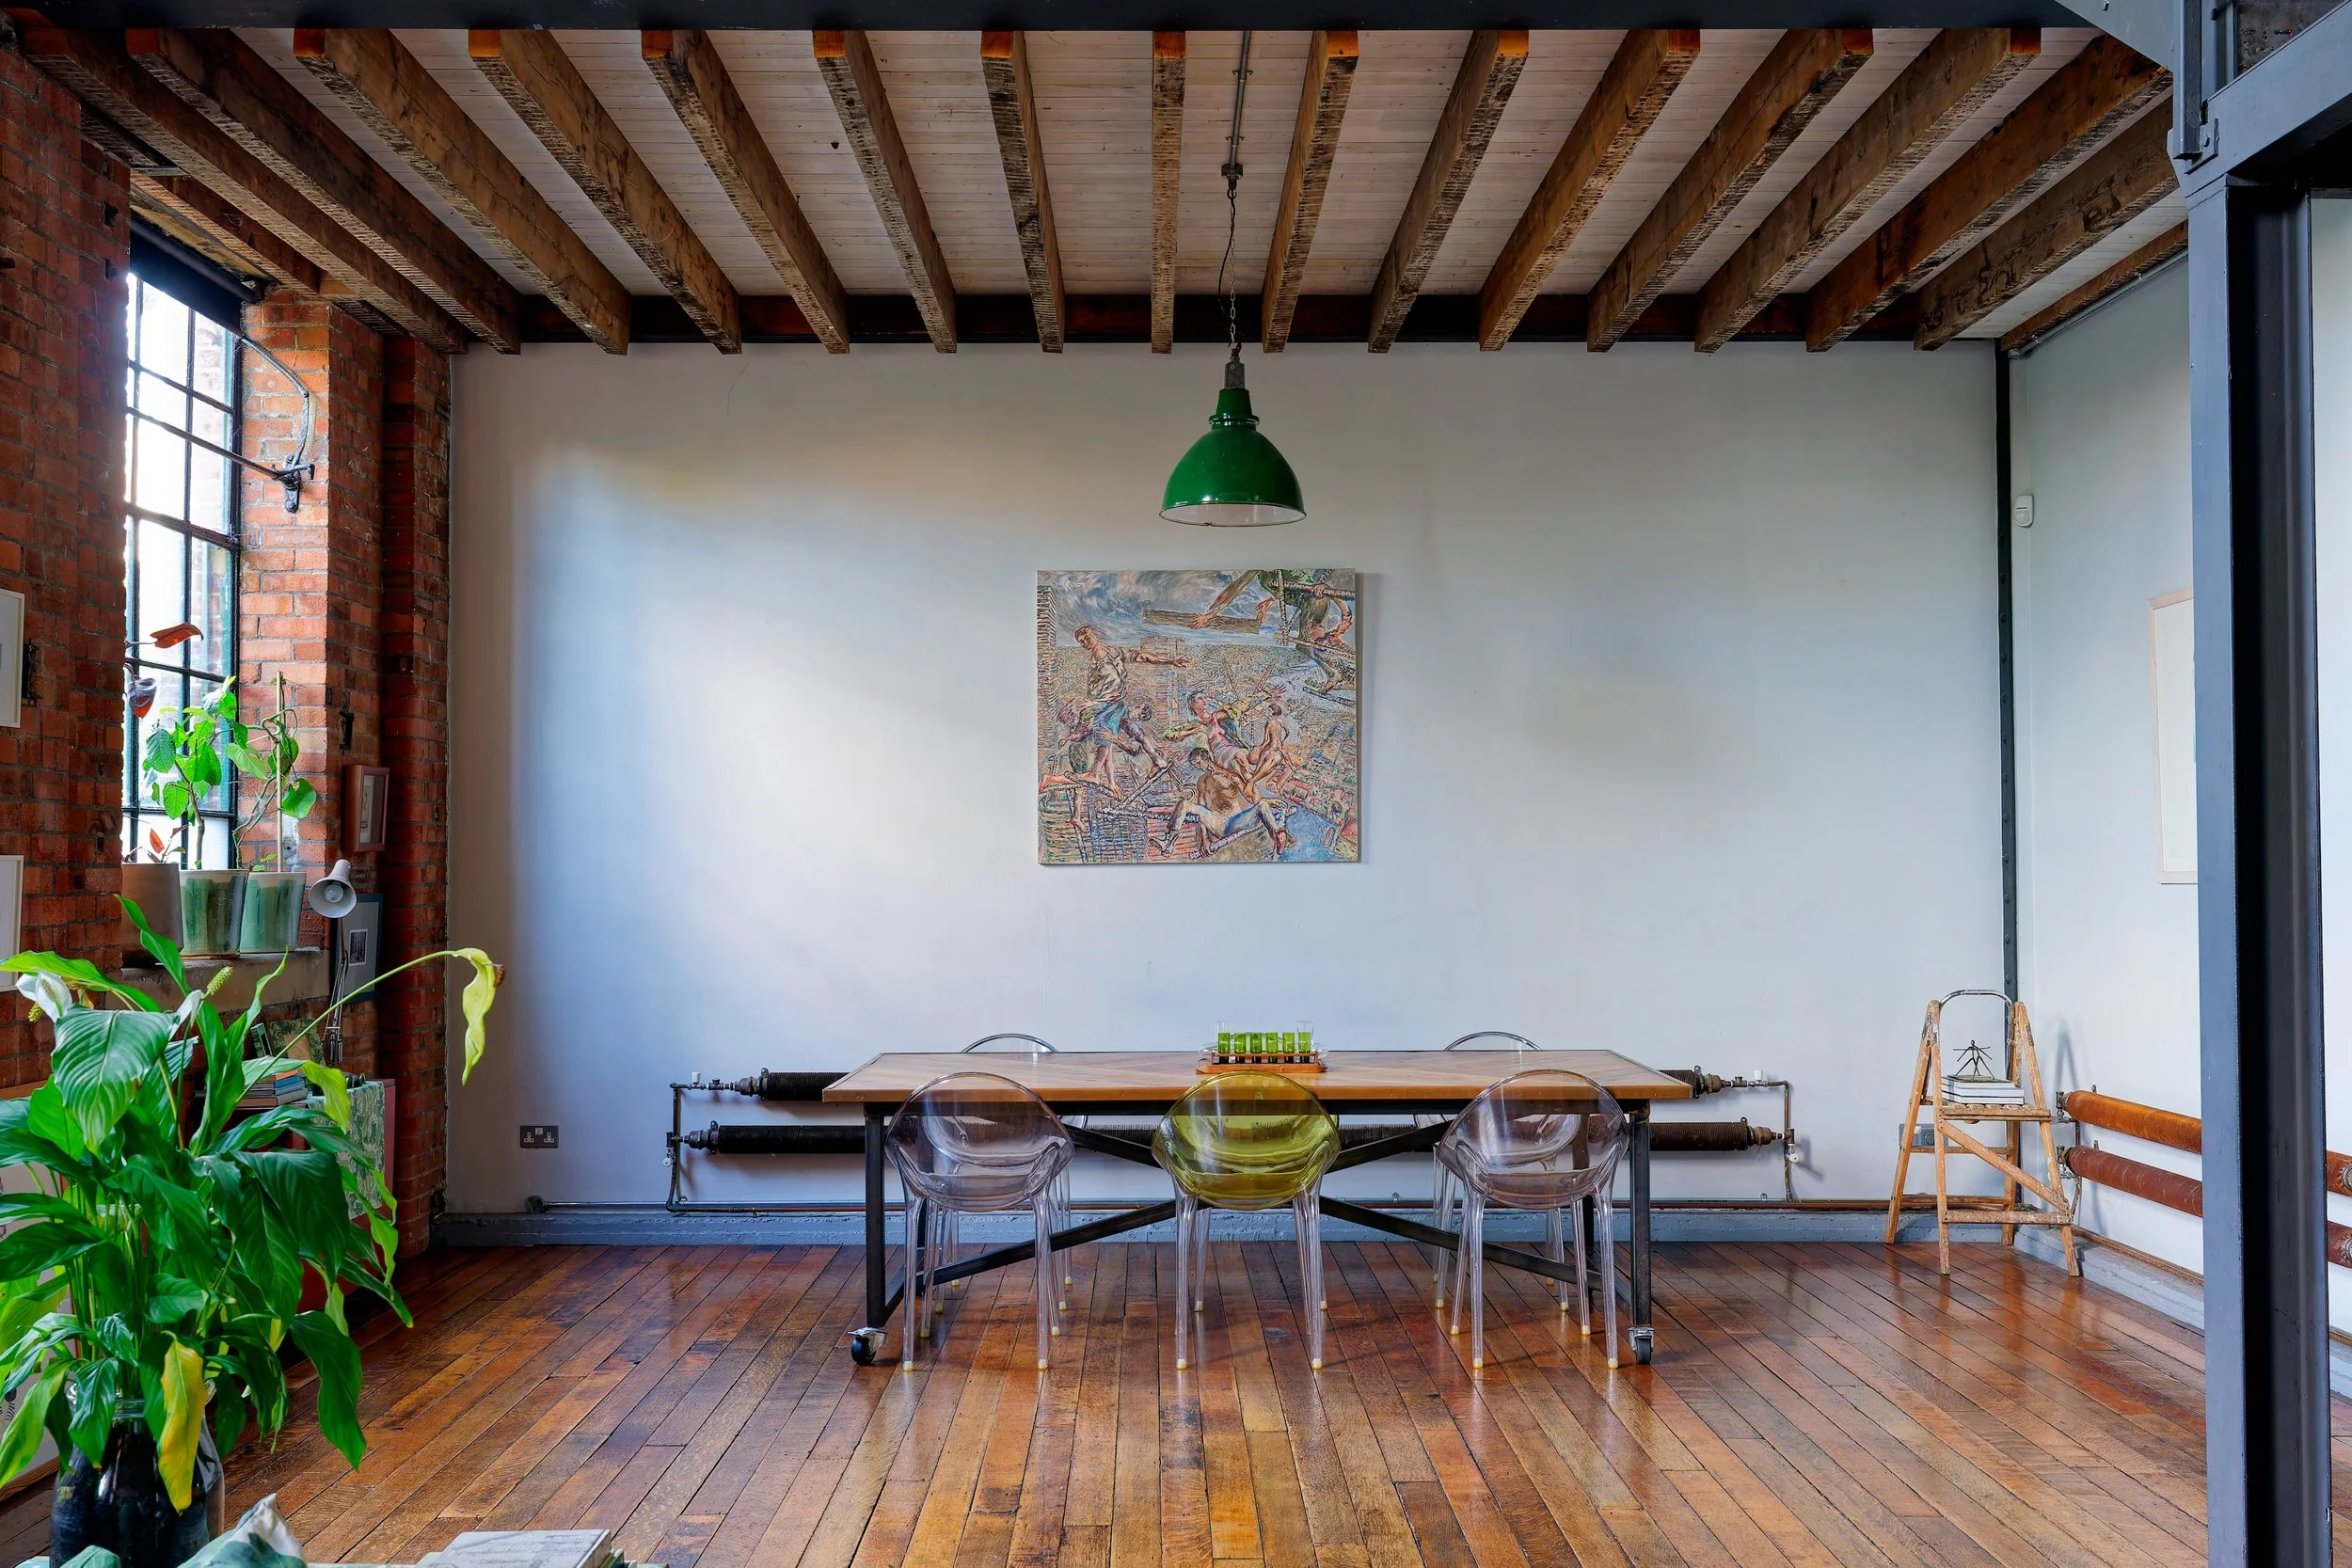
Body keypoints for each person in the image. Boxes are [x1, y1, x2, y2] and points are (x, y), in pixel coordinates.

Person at [1071, 624, 1185, 793]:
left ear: (1095, 634)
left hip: (1109, 706)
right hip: (1119, 704)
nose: (1083, 643)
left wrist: (1096, 702)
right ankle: (1157, 759)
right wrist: (1170, 661)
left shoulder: (1101, 654)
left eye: (1086, 638)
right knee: (1135, 731)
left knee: (1104, 737)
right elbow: (1142, 656)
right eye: (1080, 642)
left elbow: (1116, 677)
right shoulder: (1113, 651)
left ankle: (1094, 774)